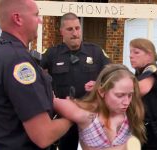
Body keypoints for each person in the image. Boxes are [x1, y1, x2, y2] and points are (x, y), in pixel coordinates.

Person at [0, 0, 72, 150]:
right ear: (18, 18)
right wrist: (73, 116)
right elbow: (43, 135)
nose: (40, 21)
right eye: (36, 15)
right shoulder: (18, 61)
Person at [40, 12, 110, 150]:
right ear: (62, 32)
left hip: (91, 115)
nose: (75, 33)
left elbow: (114, 75)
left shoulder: (95, 52)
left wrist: (99, 85)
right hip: (65, 116)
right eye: (70, 29)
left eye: (77, 28)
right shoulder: (52, 53)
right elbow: (34, 73)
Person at [53, 64, 146, 150]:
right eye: (119, 95)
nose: (127, 102)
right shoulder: (85, 115)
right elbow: (48, 101)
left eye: (130, 95)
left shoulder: (131, 112)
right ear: (102, 92)